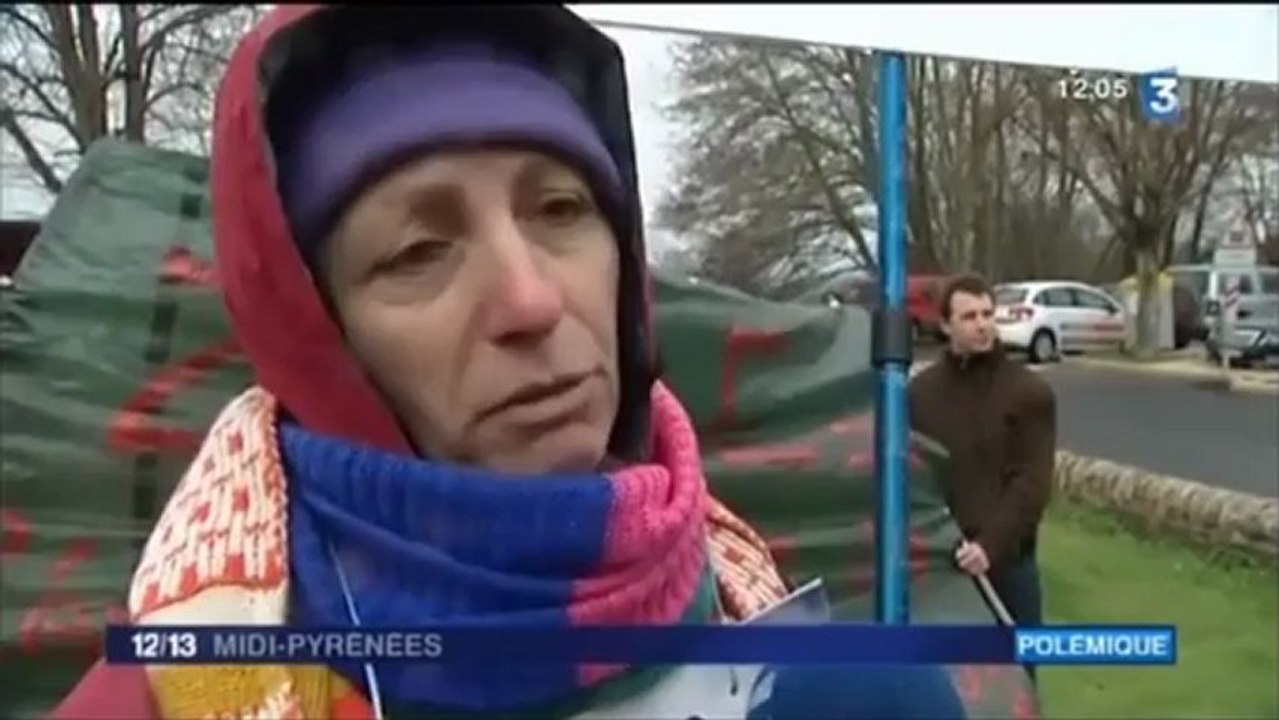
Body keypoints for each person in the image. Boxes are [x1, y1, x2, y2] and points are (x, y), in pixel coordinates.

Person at [51, 6, 793, 718]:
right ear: (321, 337)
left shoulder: (748, 598)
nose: (531, 300)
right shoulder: (169, 695)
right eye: (418, 251)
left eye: (561, 209)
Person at [907, 273, 1057, 675]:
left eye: (988, 313)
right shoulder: (919, 396)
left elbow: (1033, 482)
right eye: (969, 316)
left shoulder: (1029, 393)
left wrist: (989, 546)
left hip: (1010, 564)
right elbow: (915, 474)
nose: (982, 324)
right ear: (945, 325)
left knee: (1019, 680)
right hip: (941, 565)